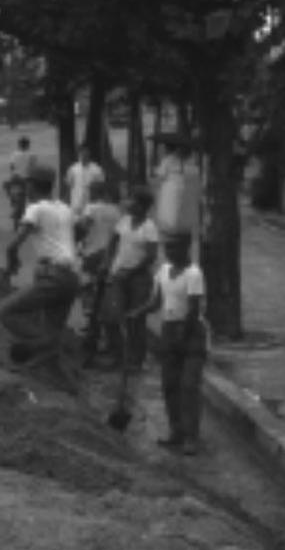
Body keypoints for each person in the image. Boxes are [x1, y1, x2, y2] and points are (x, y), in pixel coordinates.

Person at [0, 164, 81, 377]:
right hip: (71, 276)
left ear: (33, 186)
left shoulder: (35, 209)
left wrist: (10, 265)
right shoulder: (64, 208)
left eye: (27, 185)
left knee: (5, 311)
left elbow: (14, 243)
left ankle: (47, 344)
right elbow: (77, 233)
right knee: (51, 324)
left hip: (52, 276)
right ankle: (55, 374)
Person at [128, 233, 206, 456]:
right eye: (168, 249)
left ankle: (191, 436)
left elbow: (193, 309)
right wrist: (138, 312)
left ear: (186, 248)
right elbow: (156, 302)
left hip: (191, 333)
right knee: (170, 384)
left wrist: (183, 335)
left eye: (175, 249)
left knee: (189, 386)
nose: (170, 253)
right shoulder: (163, 271)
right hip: (169, 330)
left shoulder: (193, 274)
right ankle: (176, 431)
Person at [105, 185, 159, 372]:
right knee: (112, 316)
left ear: (142, 205)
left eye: (132, 200)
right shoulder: (124, 221)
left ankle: (136, 361)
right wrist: (108, 263)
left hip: (139, 278)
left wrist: (132, 271)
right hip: (119, 274)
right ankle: (118, 356)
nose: (128, 203)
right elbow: (113, 241)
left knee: (136, 320)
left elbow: (151, 256)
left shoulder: (149, 227)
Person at [78, 180, 123, 367]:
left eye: (90, 190)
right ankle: (105, 339)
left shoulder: (90, 209)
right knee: (105, 298)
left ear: (95, 192)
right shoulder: (116, 211)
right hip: (109, 257)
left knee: (89, 296)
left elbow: (82, 229)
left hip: (91, 256)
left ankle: (92, 336)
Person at [152, 133, 201, 244]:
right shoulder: (174, 161)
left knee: (177, 225)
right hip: (178, 206)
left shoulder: (172, 161)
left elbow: (159, 179)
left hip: (180, 204)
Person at [65, 144, 105, 218]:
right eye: (82, 154)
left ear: (89, 154)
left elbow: (101, 187)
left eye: (86, 154)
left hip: (91, 205)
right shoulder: (73, 169)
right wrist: (67, 204)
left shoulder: (96, 169)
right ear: (79, 154)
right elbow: (69, 187)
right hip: (76, 205)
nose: (84, 156)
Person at [5, 136, 36, 229]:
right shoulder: (32, 155)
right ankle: (30, 219)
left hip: (15, 179)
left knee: (16, 198)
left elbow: (11, 166)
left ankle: (15, 211)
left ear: (19, 145)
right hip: (27, 179)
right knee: (31, 200)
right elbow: (33, 168)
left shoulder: (14, 154)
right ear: (28, 145)